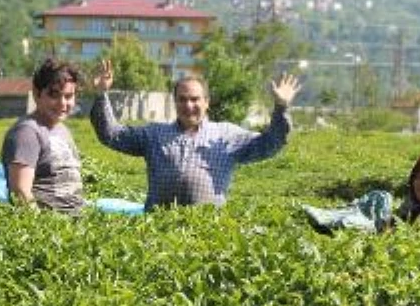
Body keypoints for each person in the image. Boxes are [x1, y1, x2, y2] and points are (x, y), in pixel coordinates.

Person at [89, 60, 299, 211]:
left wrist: (281, 107)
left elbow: (270, 144)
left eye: (195, 99)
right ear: (175, 102)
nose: (189, 105)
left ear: (207, 102)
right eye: (182, 99)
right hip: (157, 229)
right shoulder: (153, 134)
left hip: (206, 231)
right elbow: (111, 134)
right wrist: (100, 95)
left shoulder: (226, 135)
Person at [0, 58, 85, 214]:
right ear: (37, 94)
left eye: (68, 96)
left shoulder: (62, 130)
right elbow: (20, 193)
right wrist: (44, 229)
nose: (62, 103)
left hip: (73, 226)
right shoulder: (26, 133)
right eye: (54, 95)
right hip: (50, 229)